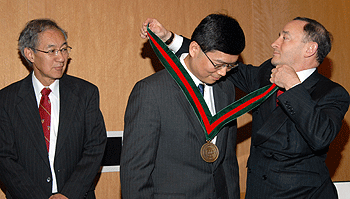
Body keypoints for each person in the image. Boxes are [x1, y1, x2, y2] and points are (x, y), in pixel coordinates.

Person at [141, 17, 350, 198]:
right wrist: (169, 38)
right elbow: (217, 58)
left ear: (310, 48)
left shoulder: (332, 93)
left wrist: (293, 86)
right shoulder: (266, 73)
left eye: (285, 37)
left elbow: (321, 136)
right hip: (259, 192)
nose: (274, 43)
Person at [121, 14, 245, 199]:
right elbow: (135, 173)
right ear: (194, 49)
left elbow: (227, 161)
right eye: (218, 64)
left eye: (230, 66)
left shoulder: (225, 89)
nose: (223, 72)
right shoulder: (151, 91)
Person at [0, 19, 107, 199]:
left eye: (64, 49)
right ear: (30, 54)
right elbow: (4, 158)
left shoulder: (86, 93)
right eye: (52, 51)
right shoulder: (6, 100)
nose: (61, 58)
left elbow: (95, 147)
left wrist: (68, 194)